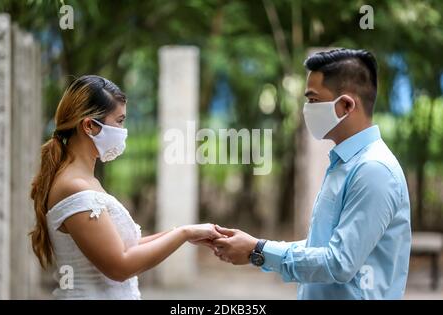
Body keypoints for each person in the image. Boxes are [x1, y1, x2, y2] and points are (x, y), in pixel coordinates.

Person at [211, 48, 411, 300]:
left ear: (346, 105)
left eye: (313, 100)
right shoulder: (345, 164)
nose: (306, 109)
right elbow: (322, 248)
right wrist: (257, 246)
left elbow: (338, 263)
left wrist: (257, 250)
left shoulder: (373, 170)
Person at [30, 75, 222, 299]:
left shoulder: (82, 181)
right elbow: (120, 266)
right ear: (90, 125)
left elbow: (125, 246)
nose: (123, 130)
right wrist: (183, 233)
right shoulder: (74, 186)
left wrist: (185, 233)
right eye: (119, 121)